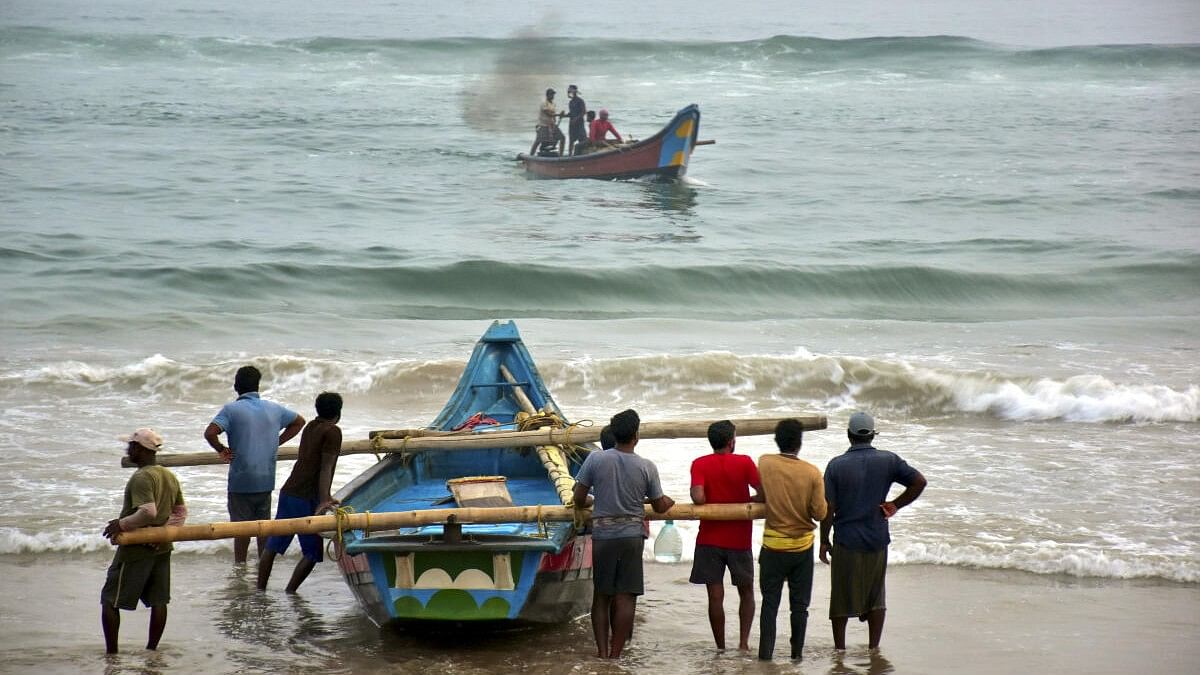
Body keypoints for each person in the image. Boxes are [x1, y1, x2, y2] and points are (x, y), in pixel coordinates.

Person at [572, 409, 675, 659]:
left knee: (602, 596)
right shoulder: (646, 466)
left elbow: (578, 497)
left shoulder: (596, 459)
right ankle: (616, 655)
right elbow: (660, 505)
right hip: (631, 536)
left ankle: (602, 652)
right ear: (636, 436)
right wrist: (669, 502)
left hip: (604, 534)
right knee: (626, 596)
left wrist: (591, 502)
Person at [819, 412, 927, 650]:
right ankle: (873, 648)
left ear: (849, 436)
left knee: (841, 597)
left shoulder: (836, 466)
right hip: (877, 537)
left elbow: (829, 507)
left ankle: (840, 649)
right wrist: (895, 505)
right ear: (872, 435)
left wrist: (824, 540)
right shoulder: (888, 460)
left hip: (846, 540)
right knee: (876, 596)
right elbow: (919, 482)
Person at [204, 365, 305, 563]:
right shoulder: (274, 408)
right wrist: (277, 441)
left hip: (241, 480)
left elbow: (210, 433)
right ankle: (262, 568)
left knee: (241, 531)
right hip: (265, 479)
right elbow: (299, 421)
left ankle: (240, 569)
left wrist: (222, 450)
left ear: (236, 386)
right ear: (258, 386)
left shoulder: (231, 410)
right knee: (263, 529)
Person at [101, 428, 187, 654]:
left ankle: (112, 654)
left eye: (130, 446)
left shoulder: (141, 477)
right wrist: (162, 535)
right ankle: (152, 651)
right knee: (159, 600)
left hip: (136, 548)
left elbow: (148, 511)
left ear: (140, 449)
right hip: (162, 547)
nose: (127, 449)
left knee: (110, 599)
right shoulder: (168, 475)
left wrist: (121, 524)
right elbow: (180, 512)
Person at [257, 391, 343, 593]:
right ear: (338, 413)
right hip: (306, 497)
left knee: (273, 545)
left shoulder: (311, 427)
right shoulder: (333, 432)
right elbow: (326, 467)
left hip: (289, 492)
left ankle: (260, 590)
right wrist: (324, 500)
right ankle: (290, 592)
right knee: (313, 552)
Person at [756, 418, 827, 661]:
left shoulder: (764, 463)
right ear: (800, 443)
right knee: (799, 607)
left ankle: (765, 656)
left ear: (777, 440)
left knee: (769, 605)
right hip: (802, 548)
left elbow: (762, 493)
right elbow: (820, 513)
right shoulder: (812, 472)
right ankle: (796, 656)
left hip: (773, 546)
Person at [689, 420, 762, 651]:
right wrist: (747, 502)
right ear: (732, 441)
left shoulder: (699, 463)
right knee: (746, 591)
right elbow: (764, 493)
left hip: (709, 538)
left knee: (715, 596)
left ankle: (720, 646)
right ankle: (743, 643)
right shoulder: (745, 462)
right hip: (739, 538)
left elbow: (698, 498)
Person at [531, 87, 565, 156]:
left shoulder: (553, 104)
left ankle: (561, 156)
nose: (553, 96)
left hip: (552, 125)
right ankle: (531, 156)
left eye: (553, 95)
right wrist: (558, 114)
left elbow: (553, 115)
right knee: (538, 141)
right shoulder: (544, 103)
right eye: (551, 94)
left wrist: (560, 116)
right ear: (547, 95)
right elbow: (549, 114)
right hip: (543, 125)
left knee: (562, 138)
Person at [565, 84, 587, 155]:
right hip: (572, 124)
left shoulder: (580, 101)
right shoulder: (571, 102)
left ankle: (583, 154)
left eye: (570, 90)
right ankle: (570, 155)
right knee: (571, 140)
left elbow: (583, 112)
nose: (569, 92)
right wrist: (563, 115)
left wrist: (576, 119)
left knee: (582, 139)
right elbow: (571, 113)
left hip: (579, 124)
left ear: (575, 91)